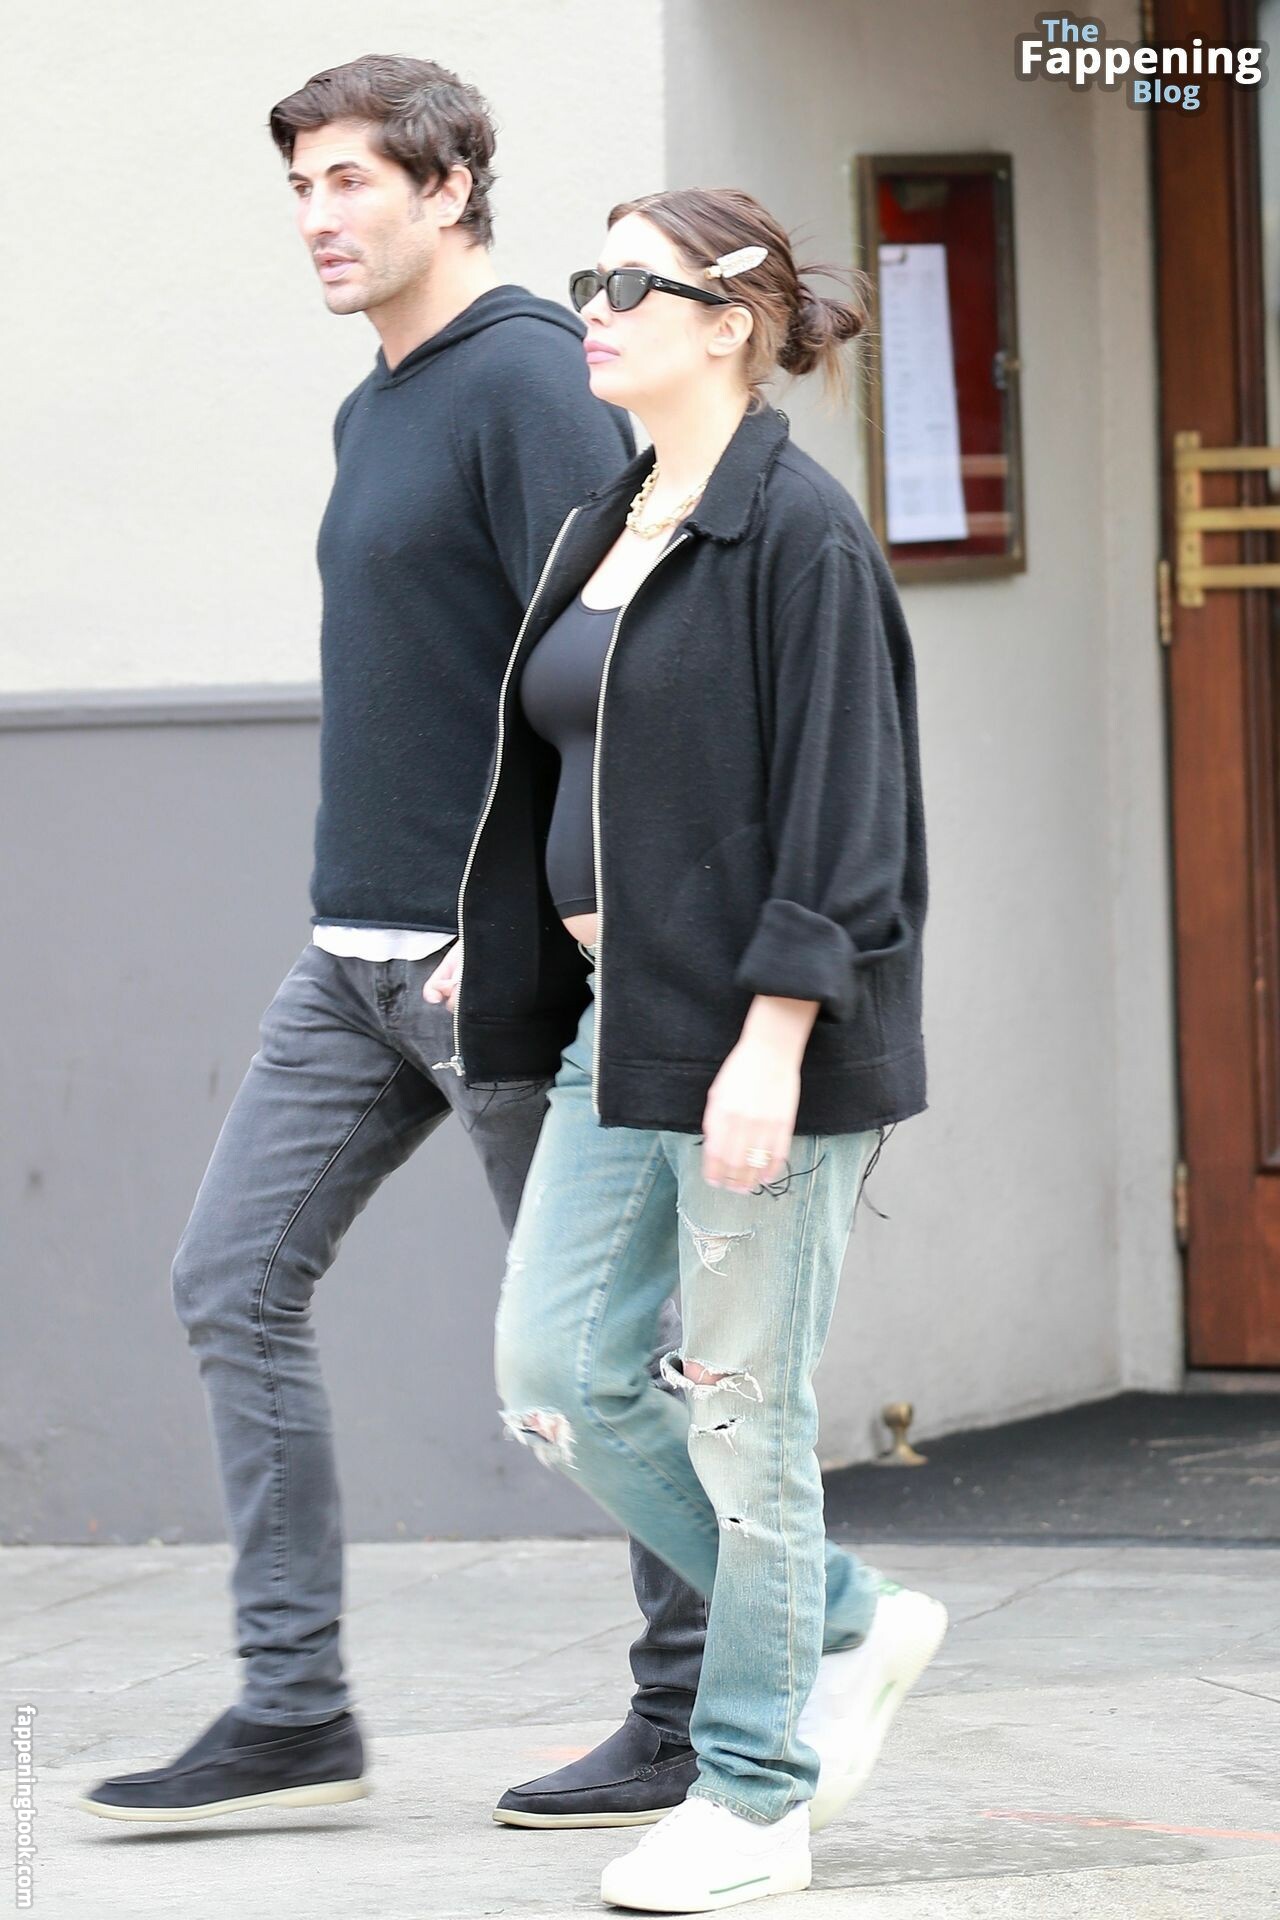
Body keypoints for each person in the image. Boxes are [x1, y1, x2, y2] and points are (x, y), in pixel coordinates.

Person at [77, 55, 709, 1829]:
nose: (317, 218)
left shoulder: (526, 379)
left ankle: (698, 1704)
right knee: (232, 1282)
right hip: (350, 961)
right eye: (300, 187)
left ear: (449, 189)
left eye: (352, 179)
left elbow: (608, 670)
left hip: (487, 965)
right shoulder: (382, 405)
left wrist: (521, 925)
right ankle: (294, 1711)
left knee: (595, 1360)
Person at [426, 187, 948, 1911]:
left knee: (739, 1409)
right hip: (620, 1022)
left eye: (629, 283)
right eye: (589, 277)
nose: (592, 305)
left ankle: (753, 1793)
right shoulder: (612, 515)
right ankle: (847, 1618)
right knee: (560, 1378)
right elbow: (570, 769)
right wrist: (504, 937)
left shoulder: (798, 532)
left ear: (730, 321)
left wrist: (775, 1039)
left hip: (755, 1040)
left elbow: (850, 818)